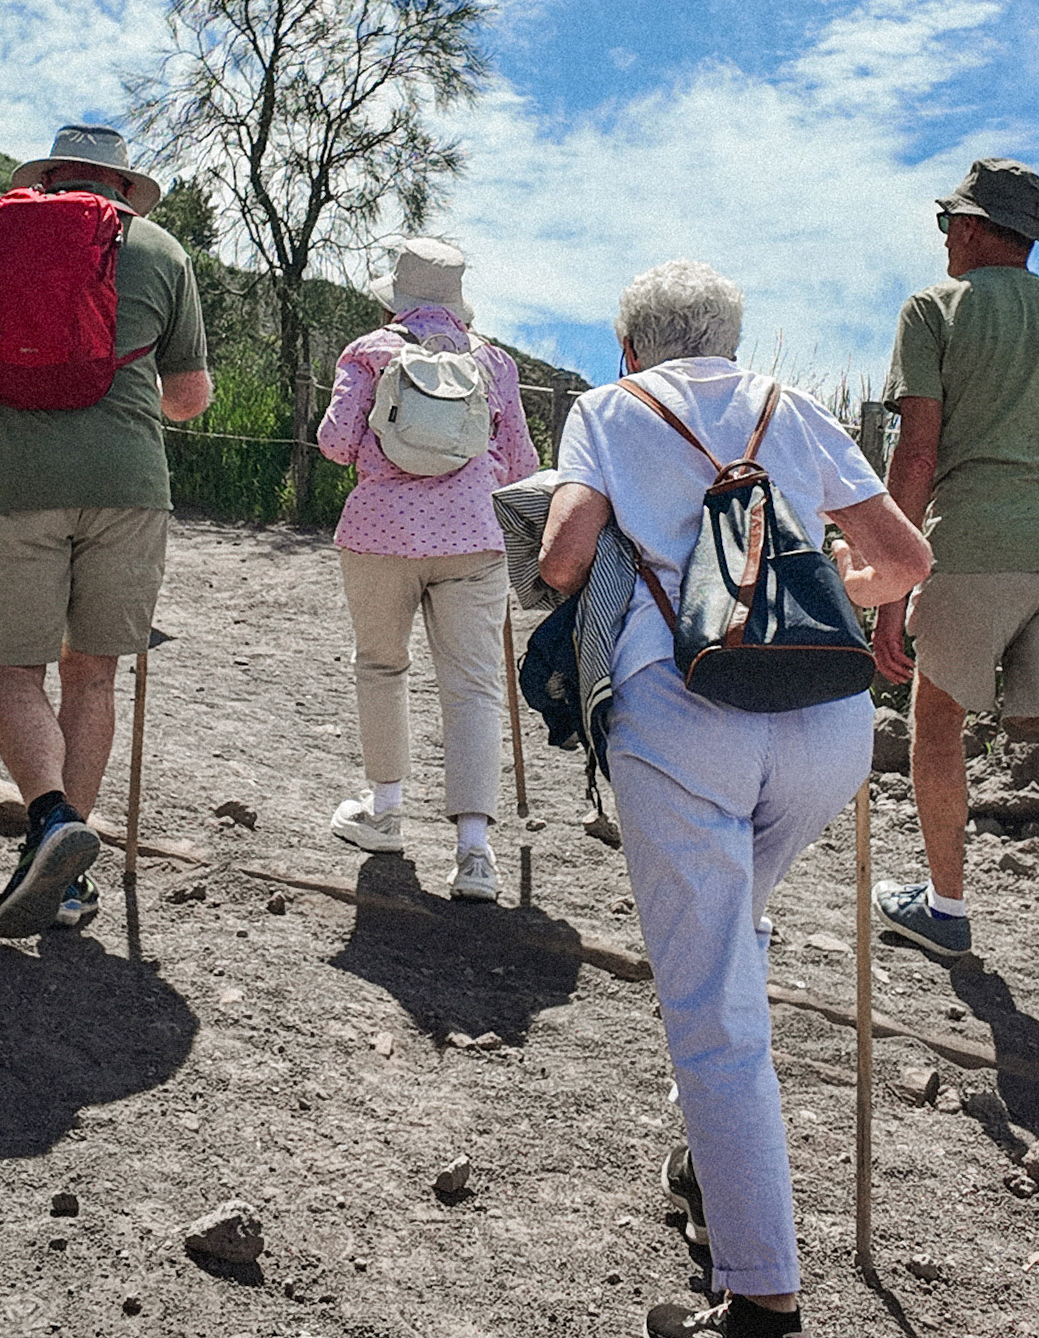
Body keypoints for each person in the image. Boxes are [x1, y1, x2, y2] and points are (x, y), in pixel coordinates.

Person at [538, 260, 932, 1338]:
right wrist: (828, 591)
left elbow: (567, 553)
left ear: (631, 349)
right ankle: (715, 1171)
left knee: (709, 1002)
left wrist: (568, 558)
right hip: (824, 722)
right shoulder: (792, 409)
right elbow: (904, 557)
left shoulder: (605, 411)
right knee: (733, 941)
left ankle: (761, 1294)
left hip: (686, 722)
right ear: (731, 338)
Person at [865, 159, 1039, 1044]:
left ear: (982, 230)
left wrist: (889, 587)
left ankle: (945, 907)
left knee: (936, 715)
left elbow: (917, 456)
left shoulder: (934, 311)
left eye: (954, 221)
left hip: (978, 545)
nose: (946, 235)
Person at [0, 124, 212, 938]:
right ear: (121, 182)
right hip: (129, 490)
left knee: (10, 672)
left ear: (48, 177)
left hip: (19, 490)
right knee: (94, 676)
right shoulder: (160, 249)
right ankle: (70, 873)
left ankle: (48, 821)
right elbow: (188, 396)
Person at [312, 237, 541, 900]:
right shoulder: (493, 362)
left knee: (382, 665)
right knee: (473, 687)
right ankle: (474, 854)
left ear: (399, 296)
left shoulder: (370, 352)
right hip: (474, 538)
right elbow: (522, 465)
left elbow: (333, 443)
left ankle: (384, 812)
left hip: (380, 535)